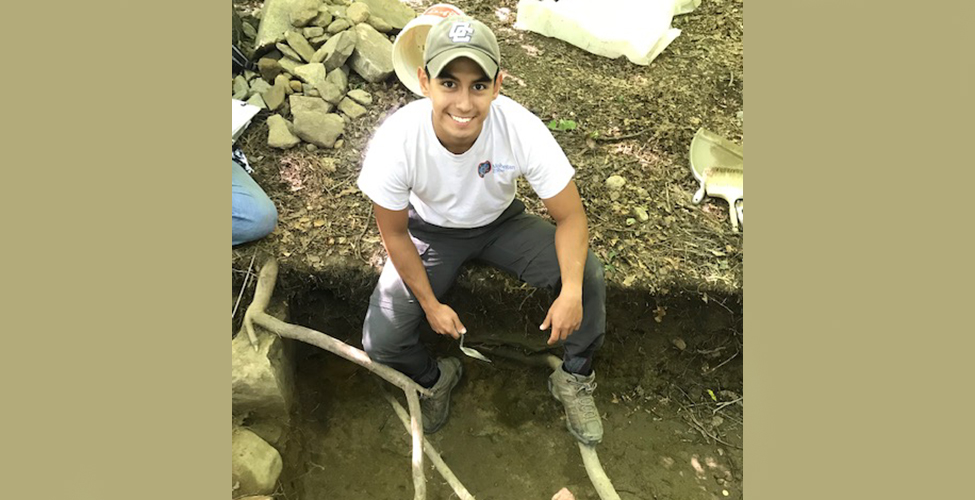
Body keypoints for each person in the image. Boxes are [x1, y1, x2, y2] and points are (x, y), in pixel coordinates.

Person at [356, 15, 606, 445]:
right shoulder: (397, 142)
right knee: (382, 340)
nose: (464, 103)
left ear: (498, 84)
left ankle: (575, 376)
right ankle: (436, 379)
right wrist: (431, 305)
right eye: (449, 83)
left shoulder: (519, 126)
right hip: (430, 231)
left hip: (501, 222)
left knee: (587, 276)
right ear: (424, 81)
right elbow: (395, 234)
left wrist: (569, 291)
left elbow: (571, 217)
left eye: (478, 85)